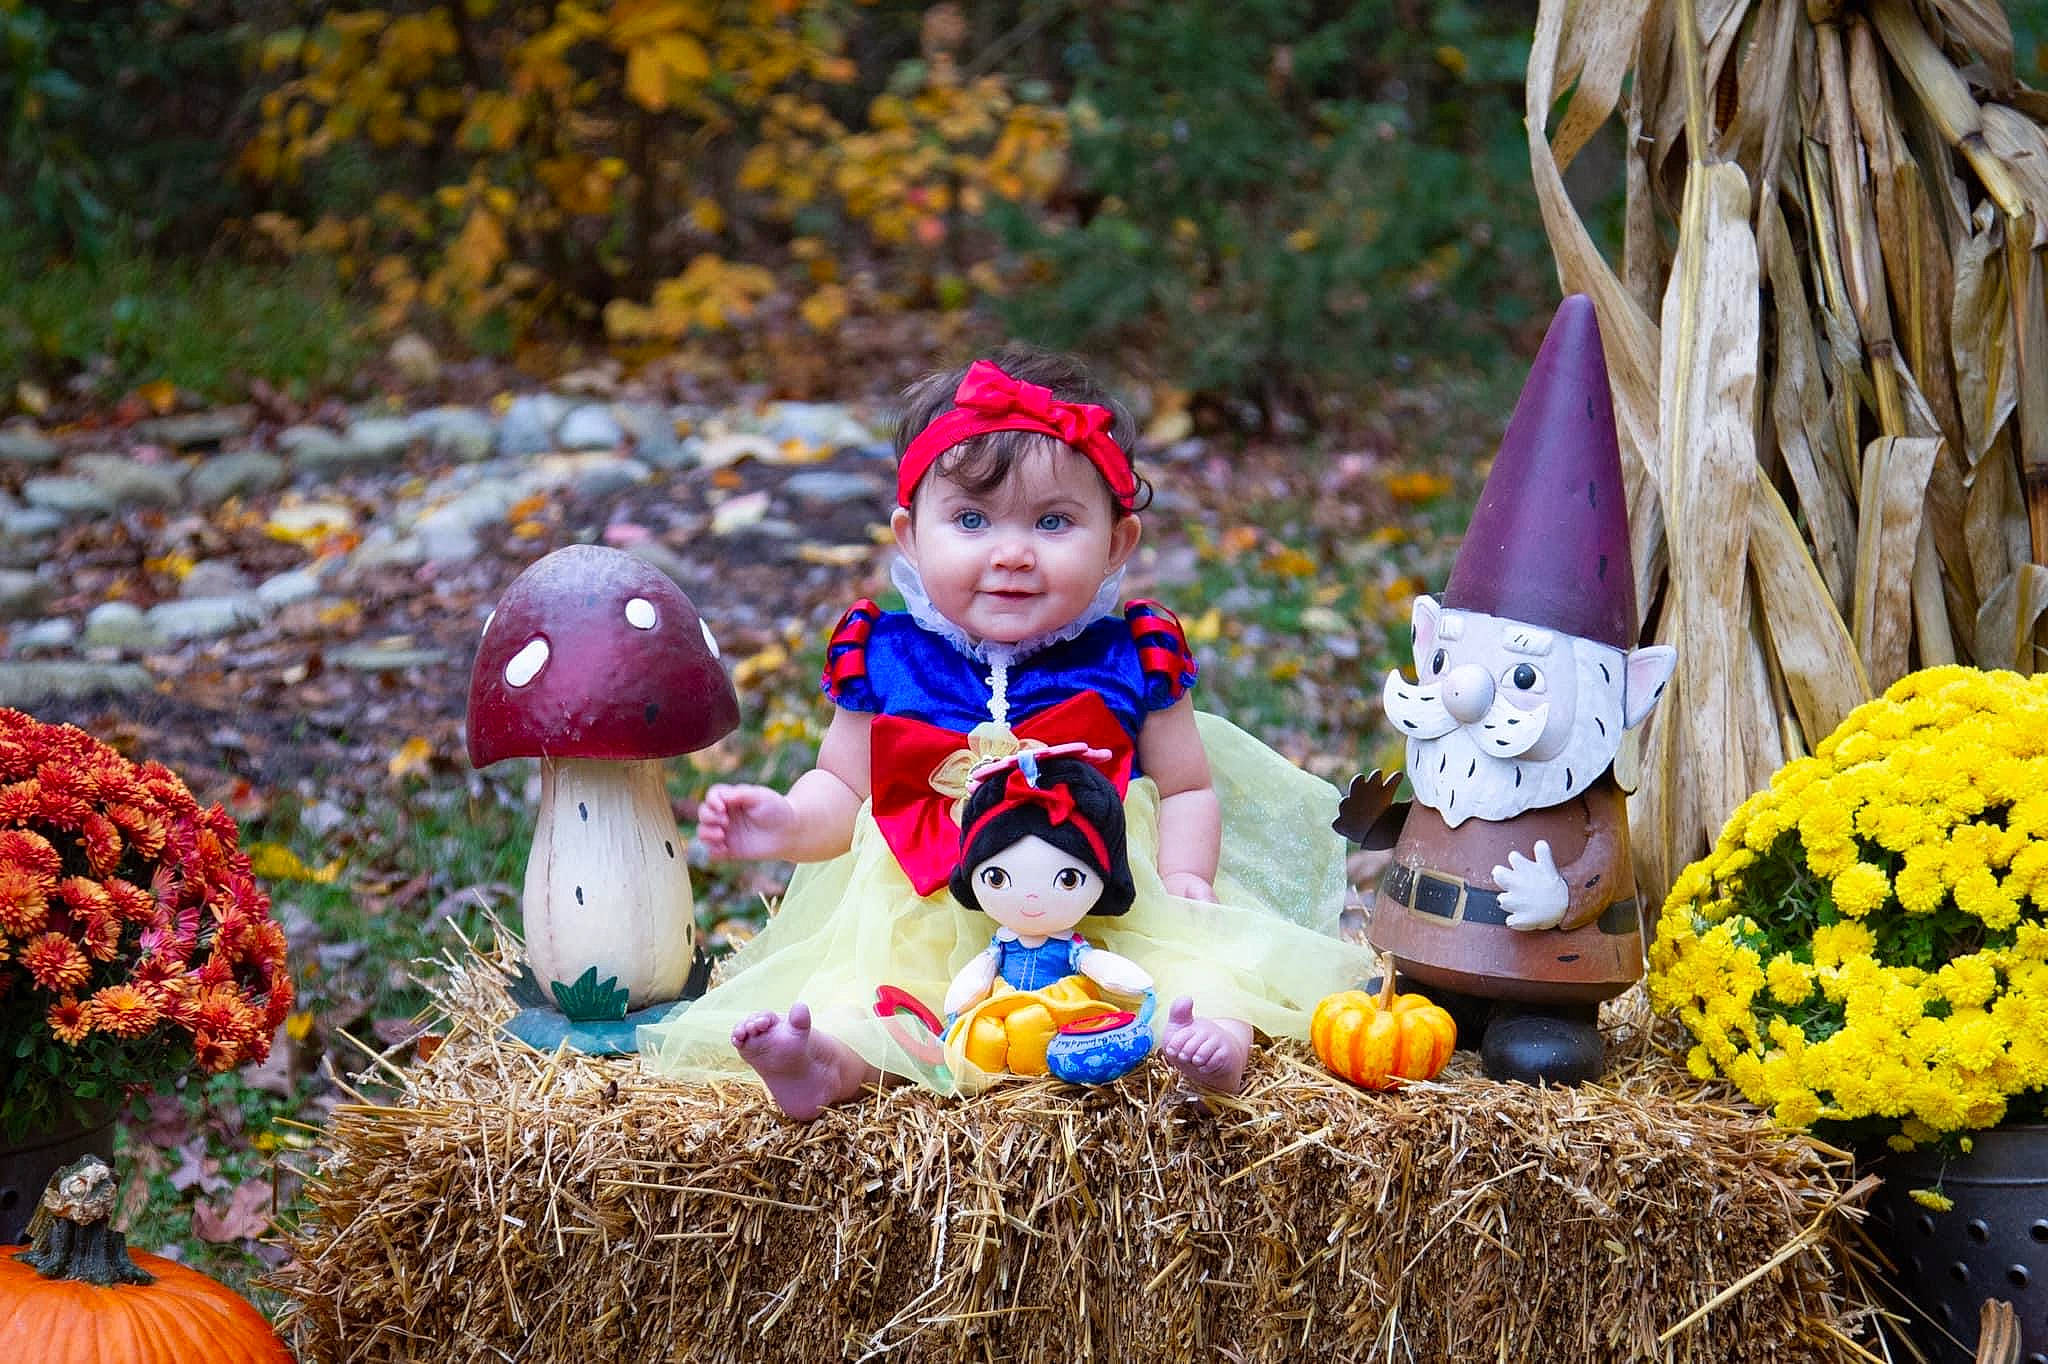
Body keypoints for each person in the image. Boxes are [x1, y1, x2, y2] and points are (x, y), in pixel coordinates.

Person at [637, 345, 1373, 1118]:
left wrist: (1188, 877)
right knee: (869, 997)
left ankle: (1209, 1049)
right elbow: (843, 789)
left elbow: (1187, 785)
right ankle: (823, 1063)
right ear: (911, 536)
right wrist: (785, 823)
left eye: (1054, 521)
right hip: (927, 907)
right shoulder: (884, 656)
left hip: (1112, 903)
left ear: (1118, 544)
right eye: (971, 520)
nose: (1013, 552)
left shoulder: (1134, 654)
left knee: (1202, 977)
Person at [940, 748, 1153, 1081]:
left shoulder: (1071, 947)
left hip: (1059, 1001)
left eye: (1068, 880)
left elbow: (1095, 965)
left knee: (1032, 1024)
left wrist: (1131, 982)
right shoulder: (1002, 945)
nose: (1031, 898)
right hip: (1004, 998)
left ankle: (1034, 1072)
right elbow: (980, 973)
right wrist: (960, 1001)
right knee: (983, 1030)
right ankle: (981, 1074)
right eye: (997, 878)